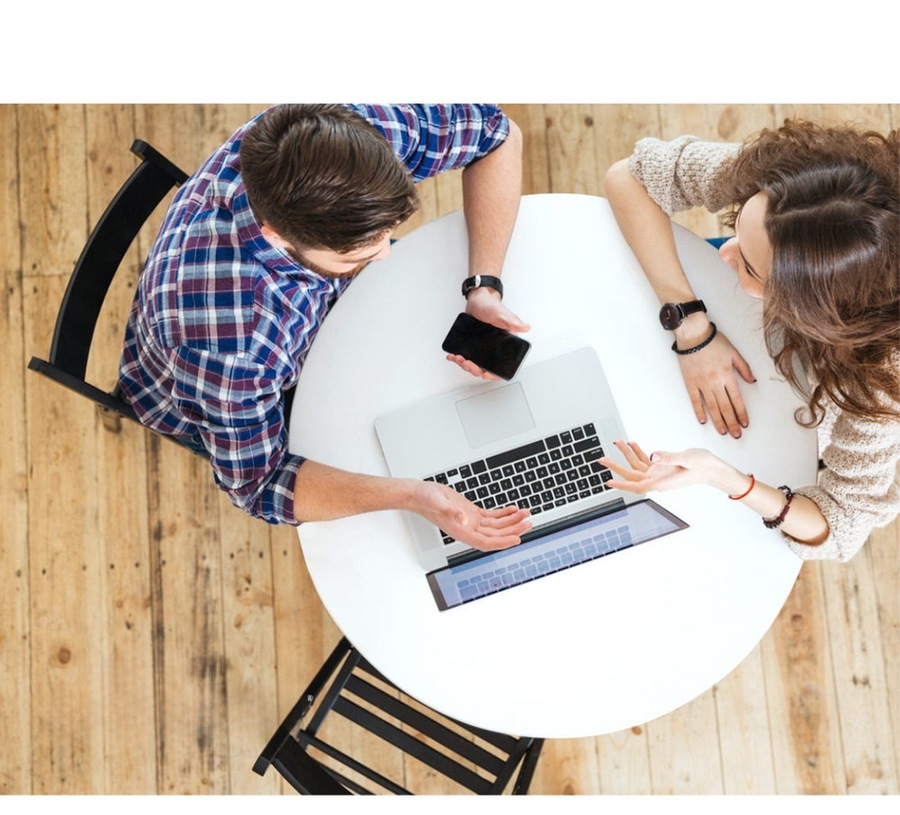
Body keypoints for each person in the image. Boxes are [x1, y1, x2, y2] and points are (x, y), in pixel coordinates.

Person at [118, 104, 532, 551]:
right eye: (358, 249)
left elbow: (498, 133)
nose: (384, 253)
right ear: (279, 235)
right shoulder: (231, 351)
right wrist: (413, 495)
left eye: (386, 231)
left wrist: (483, 285)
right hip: (242, 401)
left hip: (320, 318)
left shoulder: (337, 140)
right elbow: (263, 484)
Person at [601, 119, 899, 562]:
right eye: (739, 224)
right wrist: (691, 325)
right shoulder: (803, 188)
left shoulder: (880, 381)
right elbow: (629, 176)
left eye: (751, 268)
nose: (725, 251)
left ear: (814, 311)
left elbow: (840, 522)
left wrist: (726, 477)